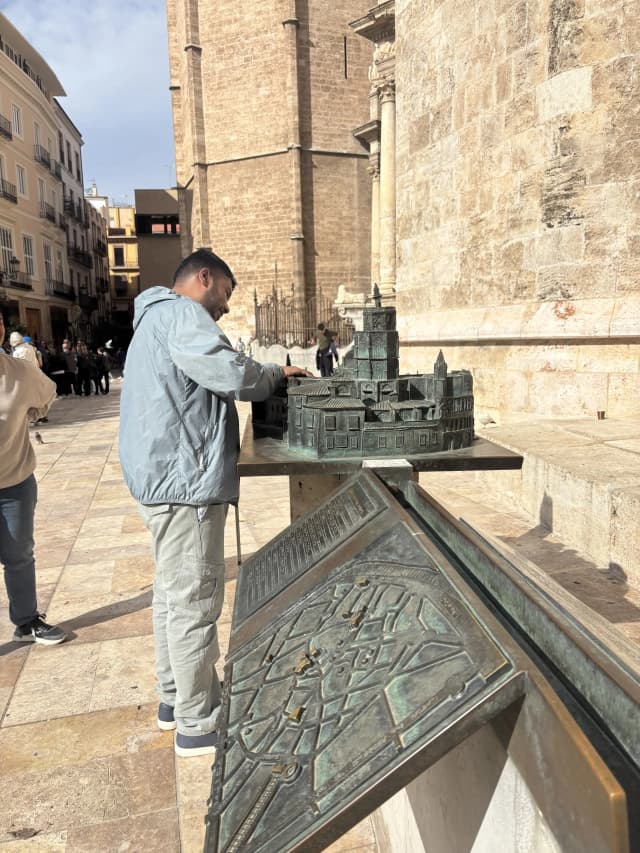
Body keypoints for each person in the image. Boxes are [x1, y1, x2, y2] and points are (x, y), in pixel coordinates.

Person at [119, 249, 310, 758]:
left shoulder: (152, 319)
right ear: (204, 279)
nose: (224, 309)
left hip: (161, 482)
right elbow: (230, 373)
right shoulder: (182, 314)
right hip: (186, 487)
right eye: (224, 294)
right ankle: (199, 723)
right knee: (195, 603)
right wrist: (273, 373)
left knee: (171, 595)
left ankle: (173, 701)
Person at [0, 313, 66, 645]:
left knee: (19, 554)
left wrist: (33, 413)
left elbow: (47, 394)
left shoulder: (20, 371)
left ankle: (26, 622)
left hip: (14, 481)